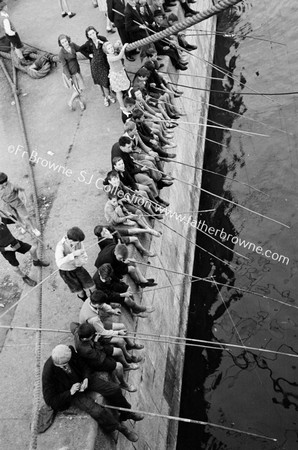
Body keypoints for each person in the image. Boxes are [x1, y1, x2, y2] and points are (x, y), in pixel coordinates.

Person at [42, 344, 143, 442]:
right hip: (73, 394)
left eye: (68, 362)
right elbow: (50, 400)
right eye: (64, 365)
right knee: (97, 411)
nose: (67, 366)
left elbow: (84, 365)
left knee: (114, 389)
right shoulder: (48, 373)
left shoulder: (70, 350)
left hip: (83, 380)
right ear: (57, 364)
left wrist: (86, 378)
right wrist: (70, 392)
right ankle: (121, 428)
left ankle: (126, 413)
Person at [70, 322, 138, 392]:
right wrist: (96, 342)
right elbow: (99, 355)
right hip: (96, 360)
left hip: (97, 349)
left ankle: (126, 366)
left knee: (119, 351)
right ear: (84, 339)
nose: (92, 336)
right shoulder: (85, 349)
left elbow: (72, 324)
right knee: (119, 366)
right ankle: (124, 384)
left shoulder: (77, 331)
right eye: (91, 336)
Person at [79, 289, 145, 359]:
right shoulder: (94, 319)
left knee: (122, 326)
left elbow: (104, 306)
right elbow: (103, 333)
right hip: (94, 334)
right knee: (120, 341)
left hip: (97, 325)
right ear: (97, 304)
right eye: (101, 304)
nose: (103, 304)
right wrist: (118, 332)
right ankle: (127, 357)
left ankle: (130, 345)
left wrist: (113, 311)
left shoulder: (91, 300)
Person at [0, 215, 49, 286]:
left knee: (32, 249)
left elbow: (13, 220)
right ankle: (24, 277)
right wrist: (6, 249)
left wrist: (11, 215)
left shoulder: (2, 220)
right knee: (16, 267)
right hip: (7, 250)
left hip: (14, 242)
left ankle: (36, 262)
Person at [55, 226, 95, 301]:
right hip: (67, 272)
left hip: (78, 268)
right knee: (80, 292)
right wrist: (72, 255)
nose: (79, 243)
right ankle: (86, 302)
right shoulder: (60, 246)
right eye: (77, 242)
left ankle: (95, 300)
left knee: (92, 286)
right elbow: (59, 263)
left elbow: (84, 253)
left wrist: (83, 260)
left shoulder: (78, 241)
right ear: (70, 240)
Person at [79, 26, 116, 107]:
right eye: (90, 34)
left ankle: (108, 96)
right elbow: (81, 49)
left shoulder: (102, 38)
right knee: (100, 82)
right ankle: (106, 97)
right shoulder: (88, 43)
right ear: (88, 36)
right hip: (95, 65)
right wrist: (89, 55)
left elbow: (108, 46)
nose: (92, 35)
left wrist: (101, 43)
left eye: (93, 33)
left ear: (96, 32)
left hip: (104, 64)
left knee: (106, 82)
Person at [0, 172, 41, 236]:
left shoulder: (12, 186)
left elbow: (22, 190)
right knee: (16, 217)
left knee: (26, 217)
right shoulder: (0, 188)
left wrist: (25, 200)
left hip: (17, 202)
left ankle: (34, 229)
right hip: (8, 205)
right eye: (2, 183)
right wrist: (6, 209)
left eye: (5, 182)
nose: (4, 184)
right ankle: (23, 226)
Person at [58, 34, 86, 111]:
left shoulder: (72, 45)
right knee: (78, 90)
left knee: (78, 89)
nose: (65, 44)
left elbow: (80, 48)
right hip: (70, 74)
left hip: (77, 70)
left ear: (68, 40)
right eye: (63, 43)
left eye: (66, 41)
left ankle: (79, 102)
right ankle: (71, 101)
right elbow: (64, 66)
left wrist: (88, 47)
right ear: (61, 44)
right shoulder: (61, 54)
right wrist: (69, 77)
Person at [103, 41, 131, 110]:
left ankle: (126, 101)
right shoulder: (109, 57)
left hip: (120, 72)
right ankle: (122, 106)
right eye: (109, 48)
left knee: (123, 89)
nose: (111, 49)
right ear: (106, 51)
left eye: (111, 47)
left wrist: (118, 44)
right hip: (116, 76)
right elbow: (119, 57)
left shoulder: (113, 53)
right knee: (119, 92)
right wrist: (123, 47)